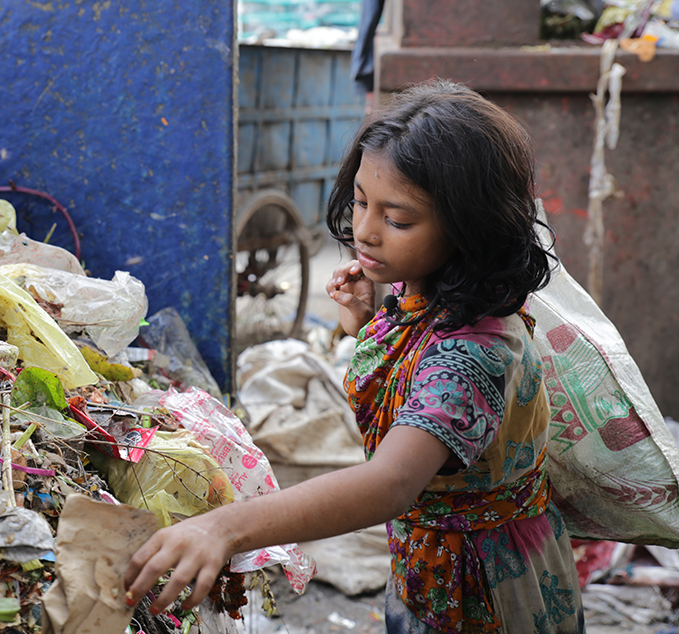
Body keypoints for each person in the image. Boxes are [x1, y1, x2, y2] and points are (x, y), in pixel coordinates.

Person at [124, 79, 585, 634]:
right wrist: (369, 321)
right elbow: (408, 371)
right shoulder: (423, 293)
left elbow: (390, 481)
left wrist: (225, 528)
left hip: (486, 583)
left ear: (470, 228)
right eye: (362, 202)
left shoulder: (474, 355)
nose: (364, 231)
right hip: (434, 555)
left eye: (397, 220)